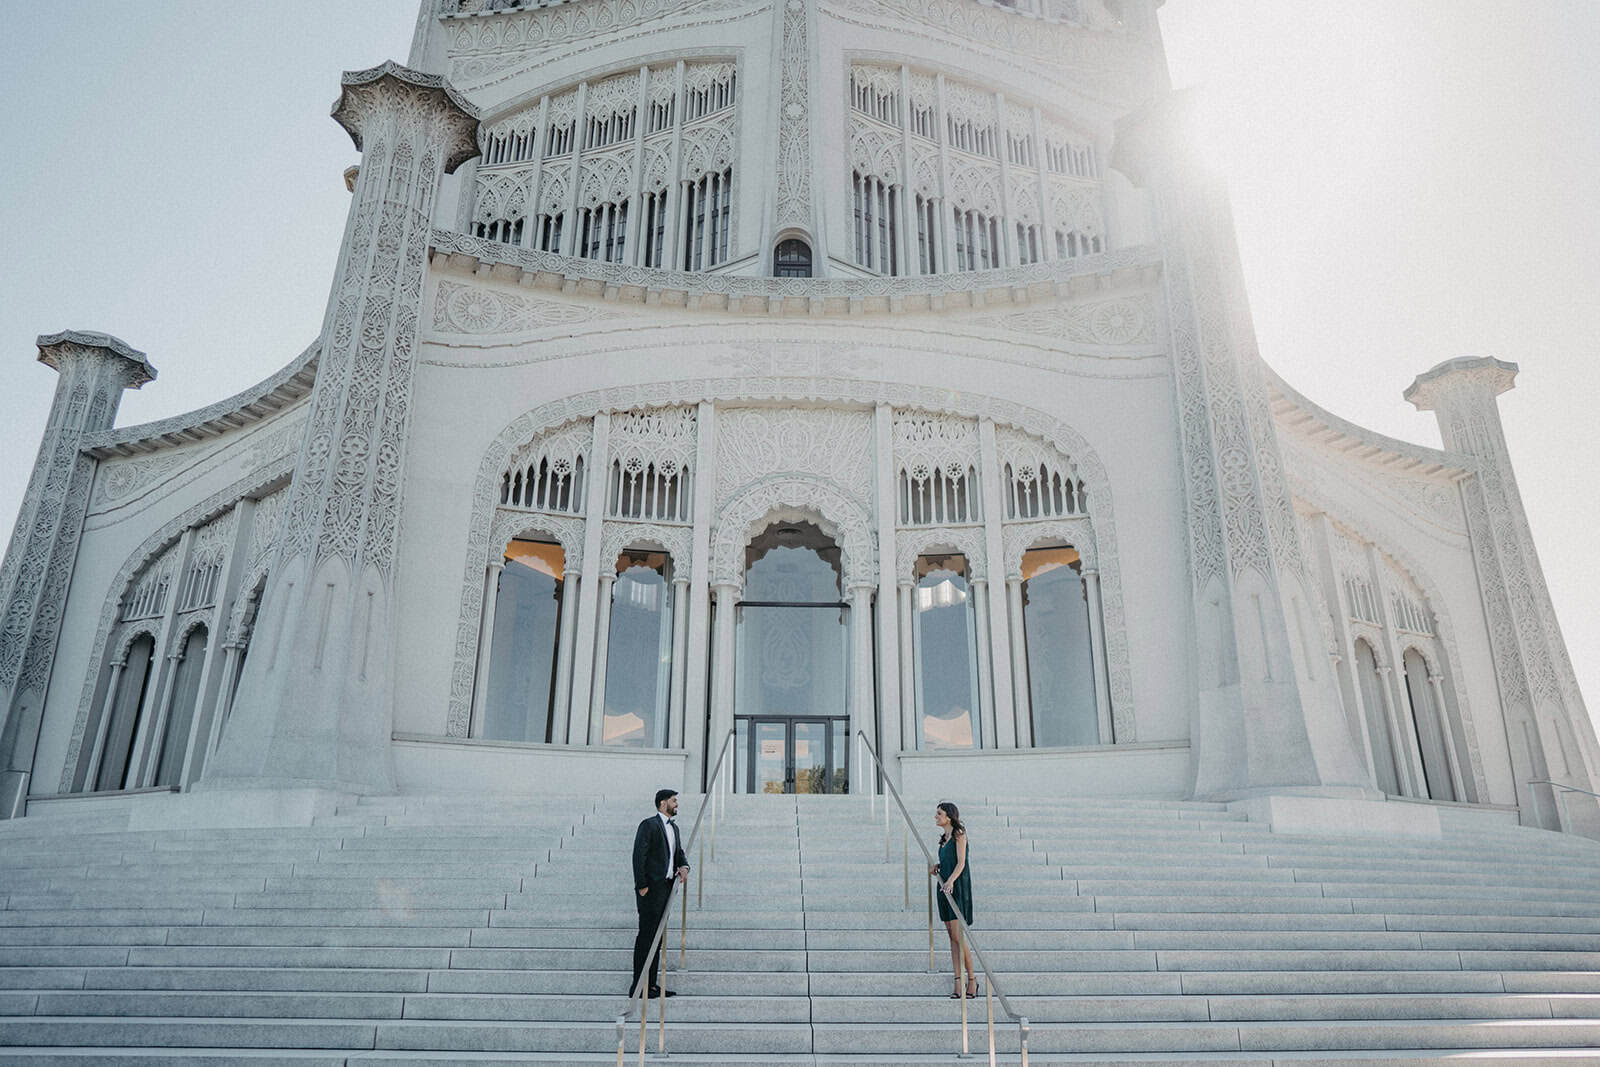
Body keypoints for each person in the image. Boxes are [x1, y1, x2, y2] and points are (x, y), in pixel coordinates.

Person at [631, 788, 689, 998]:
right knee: (647, 937)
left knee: (658, 938)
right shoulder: (649, 825)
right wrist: (642, 886)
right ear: (663, 803)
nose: (677, 804)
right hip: (650, 890)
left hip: (666, 889)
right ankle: (639, 986)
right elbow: (639, 855)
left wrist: (684, 867)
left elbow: (679, 854)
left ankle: (652, 985)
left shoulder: (674, 829)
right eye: (674, 801)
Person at [929, 800, 976, 999]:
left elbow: (962, 862)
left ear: (949, 816)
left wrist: (950, 881)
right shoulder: (944, 838)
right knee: (951, 937)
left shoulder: (959, 834)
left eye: (939, 813)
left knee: (958, 936)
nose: (936, 816)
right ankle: (958, 981)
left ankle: (972, 980)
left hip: (956, 888)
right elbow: (949, 861)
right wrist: (937, 868)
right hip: (944, 887)